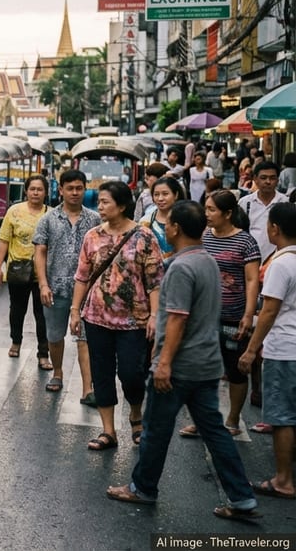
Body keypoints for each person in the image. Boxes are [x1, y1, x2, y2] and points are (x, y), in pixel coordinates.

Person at [106, 200, 260, 521]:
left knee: (155, 429)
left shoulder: (181, 268)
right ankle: (242, 498)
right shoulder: (207, 260)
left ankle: (143, 487)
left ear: (175, 228)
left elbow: (177, 319)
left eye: (169, 224)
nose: (166, 228)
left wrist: (163, 362)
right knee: (215, 432)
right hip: (206, 363)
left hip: (180, 367)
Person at [70, 181, 164, 450]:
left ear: (122, 206)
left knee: (132, 374)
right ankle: (108, 431)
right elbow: (82, 277)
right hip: (96, 317)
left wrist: (156, 315)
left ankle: (136, 414)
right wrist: (75, 311)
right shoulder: (92, 236)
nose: (99, 207)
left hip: (134, 321)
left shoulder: (144, 237)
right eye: (98, 202)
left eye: (105, 202)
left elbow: (155, 281)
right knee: (101, 373)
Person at [176, 189, 260, 438]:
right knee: (200, 369)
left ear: (228, 213)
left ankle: (233, 420)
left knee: (235, 370)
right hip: (202, 317)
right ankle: (200, 419)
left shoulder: (245, 241)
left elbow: (252, 280)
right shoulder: (203, 237)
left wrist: (248, 314)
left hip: (233, 316)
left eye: (212, 209)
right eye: (206, 208)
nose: (207, 214)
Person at [237, 202, 296, 499]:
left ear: (274, 228)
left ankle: (284, 480)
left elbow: (270, 310)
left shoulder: (281, 264)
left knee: (283, 417)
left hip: (285, 349)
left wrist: (250, 349)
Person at [34, 169, 102, 397]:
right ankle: (58, 373)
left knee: (85, 338)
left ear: (85, 189)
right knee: (54, 336)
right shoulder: (48, 219)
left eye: (79, 188)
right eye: (70, 188)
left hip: (87, 291)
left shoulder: (95, 219)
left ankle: (87, 388)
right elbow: (40, 252)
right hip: (55, 289)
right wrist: (43, 284)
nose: (75, 193)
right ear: (60, 190)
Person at [0, 175, 51, 370]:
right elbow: (3, 240)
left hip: (42, 274)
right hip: (18, 271)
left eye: (39, 189)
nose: (35, 192)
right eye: (32, 189)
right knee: (17, 310)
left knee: (42, 314)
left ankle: (44, 353)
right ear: (26, 191)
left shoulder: (50, 214)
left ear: (45, 192)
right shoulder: (14, 212)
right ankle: (16, 342)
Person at [240, 161, 288, 261]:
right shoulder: (245, 203)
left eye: (272, 178)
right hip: (250, 258)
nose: (268, 181)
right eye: (263, 178)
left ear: (277, 180)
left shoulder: (285, 203)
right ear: (255, 179)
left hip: (278, 259)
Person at [141, 176, 183, 259]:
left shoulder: (186, 219)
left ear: (176, 195)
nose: (160, 198)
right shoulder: (145, 222)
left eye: (165, 194)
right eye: (156, 194)